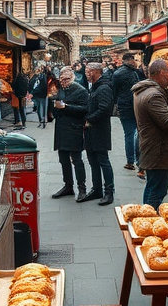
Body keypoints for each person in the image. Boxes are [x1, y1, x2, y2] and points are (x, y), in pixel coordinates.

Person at [133, 59, 168, 208]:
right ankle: (148, 219)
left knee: (153, 186)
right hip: (158, 149)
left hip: (154, 147)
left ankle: (147, 216)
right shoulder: (154, 95)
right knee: (157, 190)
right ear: (162, 72)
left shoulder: (146, 91)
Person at [50, 66, 90, 201]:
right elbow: (55, 109)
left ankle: (82, 188)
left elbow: (85, 109)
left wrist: (66, 107)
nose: (64, 81)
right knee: (63, 159)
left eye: (66, 79)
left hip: (74, 129)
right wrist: (54, 107)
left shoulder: (81, 90)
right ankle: (68, 186)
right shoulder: (60, 90)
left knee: (77, 160)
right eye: (62, 79)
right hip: (61, 129)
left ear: (72, 78)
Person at [83, 63, 115, 206]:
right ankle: (97, 189)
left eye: (88, 71)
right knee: (92, 161)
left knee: (103, 161)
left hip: (100, 131)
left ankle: (109, 192)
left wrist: (89, 119)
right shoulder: (95, 87)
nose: (86, 74)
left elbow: (105, 109)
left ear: (96, 72)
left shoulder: (103, 88)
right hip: (90, 131)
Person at [112, 53, 145, 170]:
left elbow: (114, 91)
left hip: (125, 107)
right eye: (134, 60)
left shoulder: (117, 74)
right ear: (129, 60)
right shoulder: (137, 72)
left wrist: (116, 105)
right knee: (138, 134)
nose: (135, 62)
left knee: (129, 134)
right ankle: (139, 161)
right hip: (137, 105)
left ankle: (130, 161)